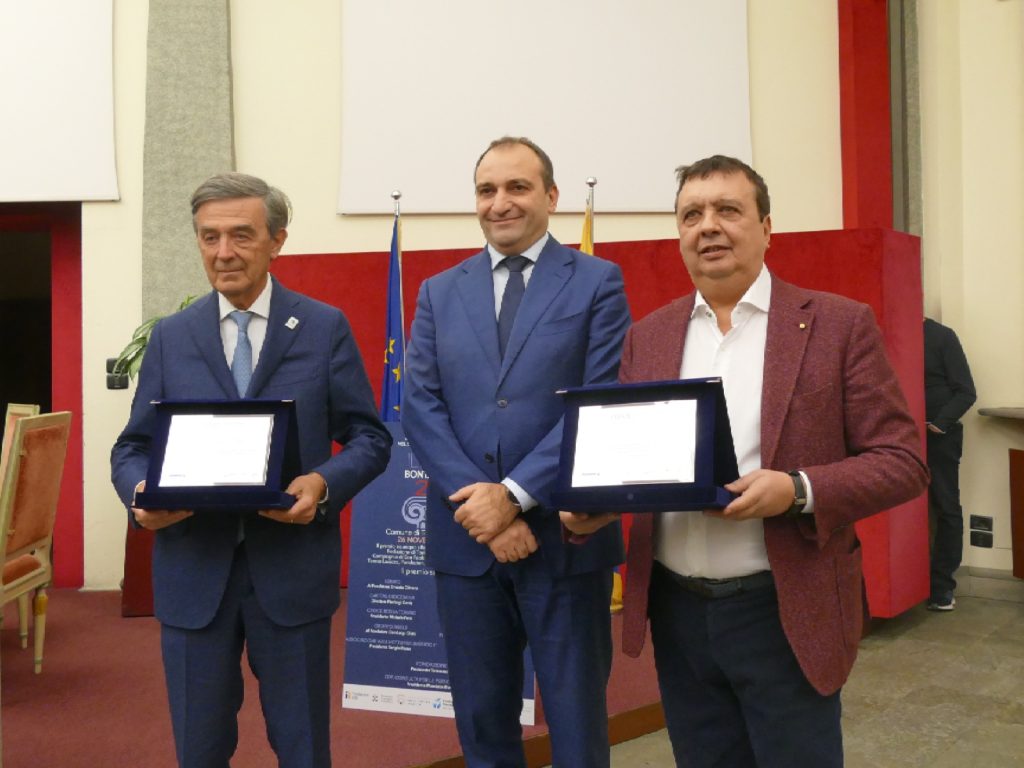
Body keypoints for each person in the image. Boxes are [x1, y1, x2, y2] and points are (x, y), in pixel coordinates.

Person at [562, 155, 929, 768]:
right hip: (678, 614)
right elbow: (634, 458)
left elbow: (902, 461)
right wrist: (595, 505)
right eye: (691, 215)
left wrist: (797, 490)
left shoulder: (838, 324)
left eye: (728, 210)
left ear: (766, 228)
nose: (708, 226)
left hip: (784, 608)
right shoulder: (648, 336)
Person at [111, 172, 392, 768]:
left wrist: (322, 484)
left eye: (241, 235)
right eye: (209, 236)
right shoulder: (171, 337)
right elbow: (132, 446)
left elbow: (369, 438)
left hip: (292, 576)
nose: (224, 252)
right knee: (200, 750)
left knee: (304, 747)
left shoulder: (323, 327)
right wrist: (140, 493)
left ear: (277, 240)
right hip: (194, 575)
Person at [402, 136, 631, 768]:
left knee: (577, 722)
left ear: (551, 197)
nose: (500, 203)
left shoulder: (597, 281)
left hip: (565, 539)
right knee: (482, 722)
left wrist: (513, 497)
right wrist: (486, 511)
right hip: (467, 542)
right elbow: (420, 406)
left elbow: (600, 399)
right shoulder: (438, 291)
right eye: (487, 190)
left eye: (517, 187)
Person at [923, 317, 976, 611]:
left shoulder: (941, 336)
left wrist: (939, 424)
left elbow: (966, 391)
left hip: (939, 438)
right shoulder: (885, 335)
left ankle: (942, 586)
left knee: (945, 506)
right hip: (900, 436)